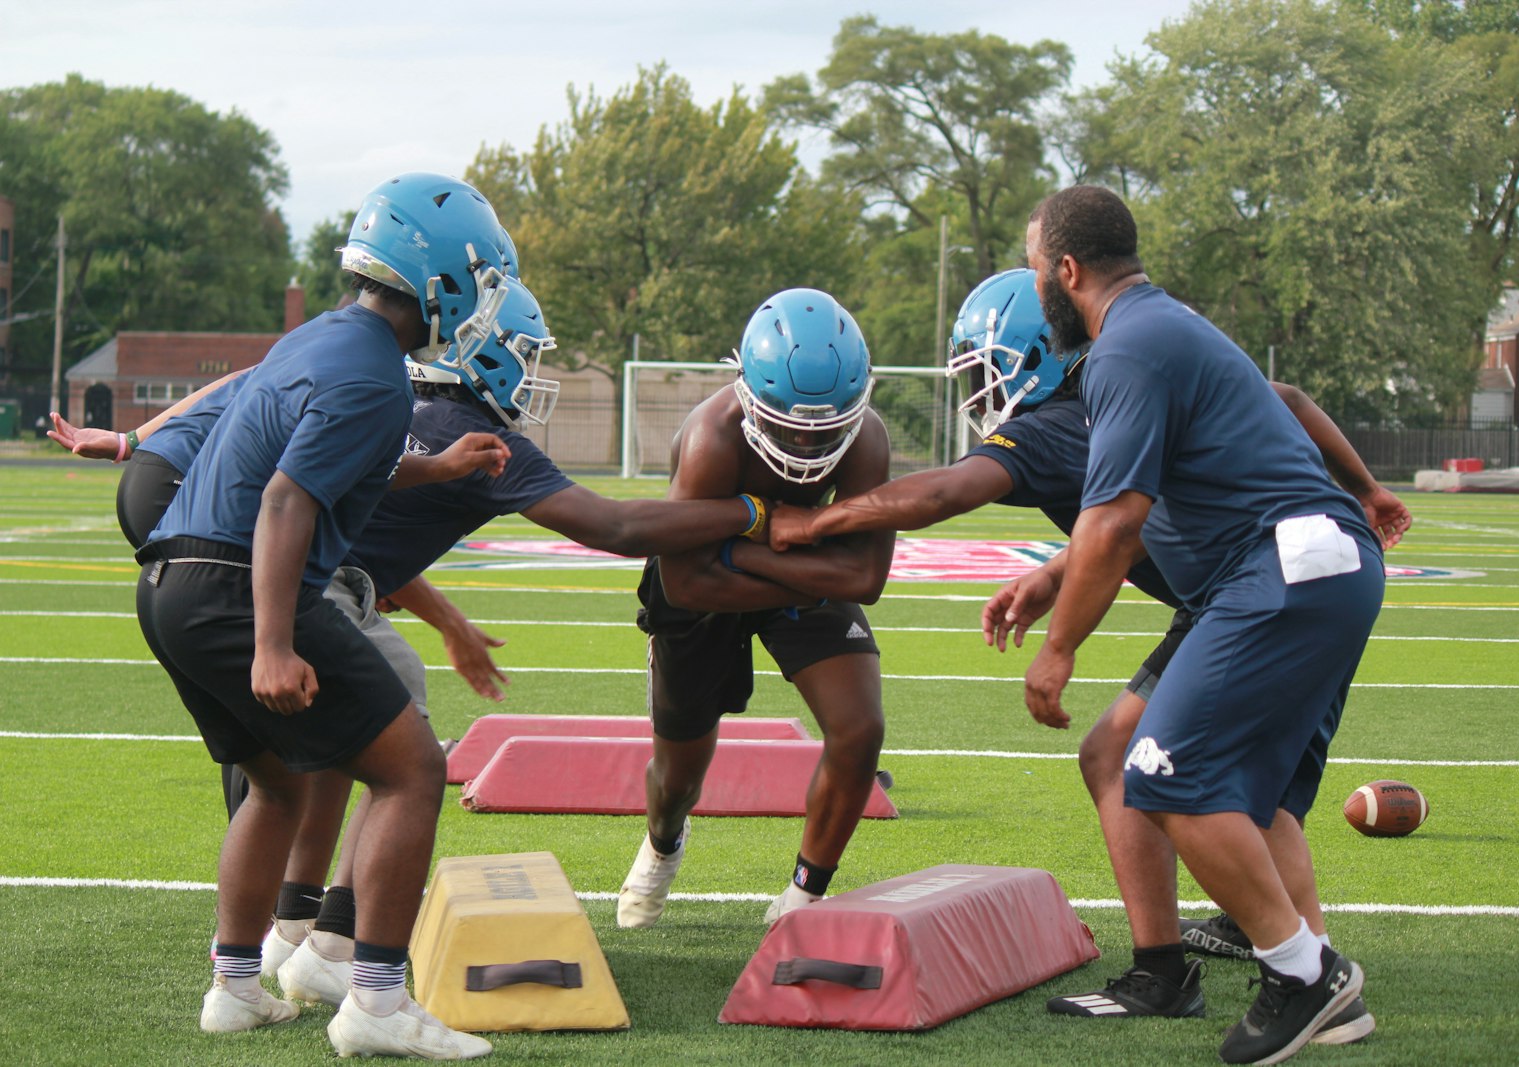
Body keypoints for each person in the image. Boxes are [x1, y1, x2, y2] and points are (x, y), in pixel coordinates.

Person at [58, 263, 781, 1008]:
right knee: (402, 754)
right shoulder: (435, 411)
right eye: (525, 354)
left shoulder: (378, 383)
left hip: (204, 568)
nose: (529, 373)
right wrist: (747, 513)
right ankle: (346, 958)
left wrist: (132, 441)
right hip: (281, 585)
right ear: (487, 347)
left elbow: (295, 438)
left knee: (297, 773)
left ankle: (276, 945)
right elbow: (618, 526)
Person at [768, 270, 1406, 1042]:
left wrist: (819, 522)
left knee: (1164, 771)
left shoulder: (1057, 420)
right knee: (1164, 768)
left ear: (1036, 351)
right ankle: (1253, 961)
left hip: (1251, 593)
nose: (978, 385)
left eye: (986, 365)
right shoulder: (1141, 369)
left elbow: (944, 494)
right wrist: (1367, 489)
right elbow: (1292, 402)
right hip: (1293, 575)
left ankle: (1278, 970)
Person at [132, 171, 515, 1060]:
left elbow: (329, 462)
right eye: (482, 283)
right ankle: (376, 1000)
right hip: (242, 583)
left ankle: (234, 985)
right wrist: (270, 641)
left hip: (171, 583)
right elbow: (285, 500)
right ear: (441, 280)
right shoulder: (376, 376)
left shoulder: (323, 340)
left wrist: (437, 466)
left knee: (277, 782)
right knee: (412, 769)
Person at [1001, 185, 1385, 1066]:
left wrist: (1057, 648)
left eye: (1034, 265)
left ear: (1067, 270)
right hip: (1309, 565)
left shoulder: (1128, 347)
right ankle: (1283, 985)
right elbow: (1254, 423)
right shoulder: (1163, 325)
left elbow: (1116, 521)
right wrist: (1053, 575)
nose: (1035, 282)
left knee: (1167, 774)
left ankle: (1306, 975)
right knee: (1206, 782)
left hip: (1278, 571)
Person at [618, 287, 895, 929]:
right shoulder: (713, 439)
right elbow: (686, 585)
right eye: (786, 427)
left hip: (761, 568)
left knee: (860, 729)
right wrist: (787, 540)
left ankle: (802, 897)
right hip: (717, 588)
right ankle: (663, 842)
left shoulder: (867, 439)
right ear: (746, 392)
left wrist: (747, 551)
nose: (803, 448)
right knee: (679, 775)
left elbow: (867, 576)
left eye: (822, 430)